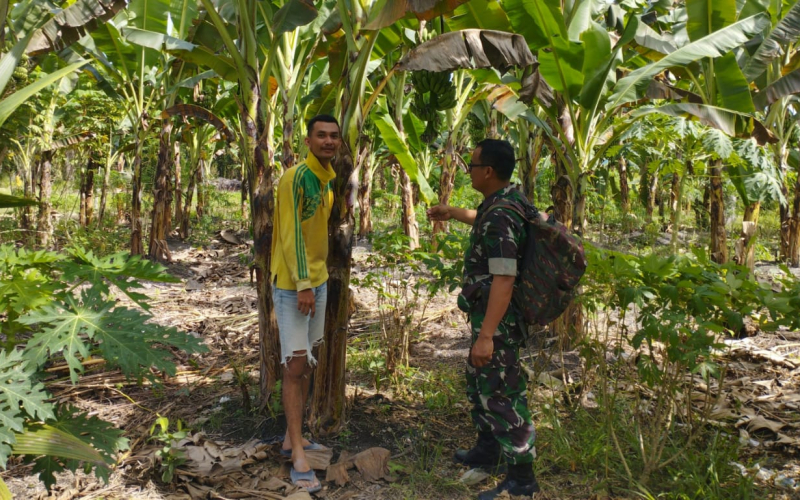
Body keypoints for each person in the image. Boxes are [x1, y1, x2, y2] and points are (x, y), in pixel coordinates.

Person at [427, 139, 539, 499]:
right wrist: (452, 212)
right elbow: (485, 219)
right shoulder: (506, 201)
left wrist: (487, 335)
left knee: (502, 392)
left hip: (498, 319)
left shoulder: (502, 214)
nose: (468, 170)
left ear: (487, 171)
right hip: (492, 315)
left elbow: (505, 277)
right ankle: (487, 450)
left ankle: (522, 479)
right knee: (481, 381)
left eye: (472, 165)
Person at [270, 114, 341, 493]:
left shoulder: (326, 180)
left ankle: (289, 437)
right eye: (321, 136)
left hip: (318, 282)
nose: (328, 141)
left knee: (307, 359)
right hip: (295, 286)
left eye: (333, 136)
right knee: (295, 365)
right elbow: (291, 233)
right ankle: (297, 451)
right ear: (308, 140)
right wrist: (302, 284)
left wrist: (316, 281)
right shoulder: (296, 177)